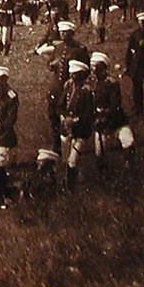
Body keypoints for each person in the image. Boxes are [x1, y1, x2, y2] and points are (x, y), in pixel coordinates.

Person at [90, 53, 135, 177]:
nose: (94, 71)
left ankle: (129, 168)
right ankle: (104, 175)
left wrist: (106, 118)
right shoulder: (91, 85)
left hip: (116, 120)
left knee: (128, 141)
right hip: (99, 122)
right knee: (100, 151)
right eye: (93, 67)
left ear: (104, 68)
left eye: (97, 68)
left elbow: (115, 105)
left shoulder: (112, 83)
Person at [58, 60, 95, 190]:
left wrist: (74, 121)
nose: (73, 77)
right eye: (72, 74)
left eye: (76, 75)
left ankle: (71, 188)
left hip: (81, 131)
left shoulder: (87, 90)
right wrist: (64, 118)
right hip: (66, 129)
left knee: (73, 160)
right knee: (65, 159)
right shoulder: (68, 85)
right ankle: (67, 181)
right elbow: (61, 105)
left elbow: (89, 114)